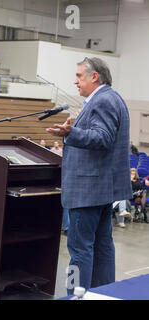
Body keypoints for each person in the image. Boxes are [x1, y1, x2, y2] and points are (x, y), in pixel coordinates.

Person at [46, 57, 132, 294]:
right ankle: (102, 294)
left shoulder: (102, 100)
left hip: (87, 190)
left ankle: (76, 295)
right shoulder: (111, 98)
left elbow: (102, 138)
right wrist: (71, 133)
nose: (75, 82)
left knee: (80, 248)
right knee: (103, 245)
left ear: (94, 77)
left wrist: (70, 133)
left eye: (79, 76)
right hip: (100, 188)